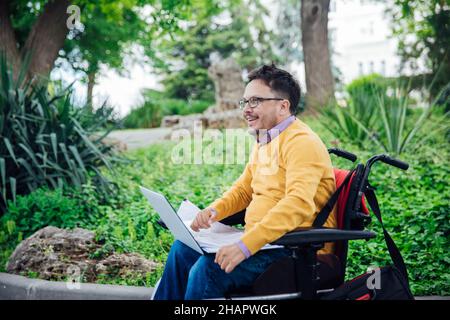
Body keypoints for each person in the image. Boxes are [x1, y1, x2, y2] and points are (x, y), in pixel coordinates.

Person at [153, 64, 337, 300]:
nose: (246, 110)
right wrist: (214, 211)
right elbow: (243, 190)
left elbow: (298, 204)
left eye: (255, 101)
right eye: (245, 102)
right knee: (182, 250)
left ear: (283, 106)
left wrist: (245, 246)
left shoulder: (302, 143)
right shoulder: (266, 139)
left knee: (208, 269)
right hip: (266, 242)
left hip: (295, 249)